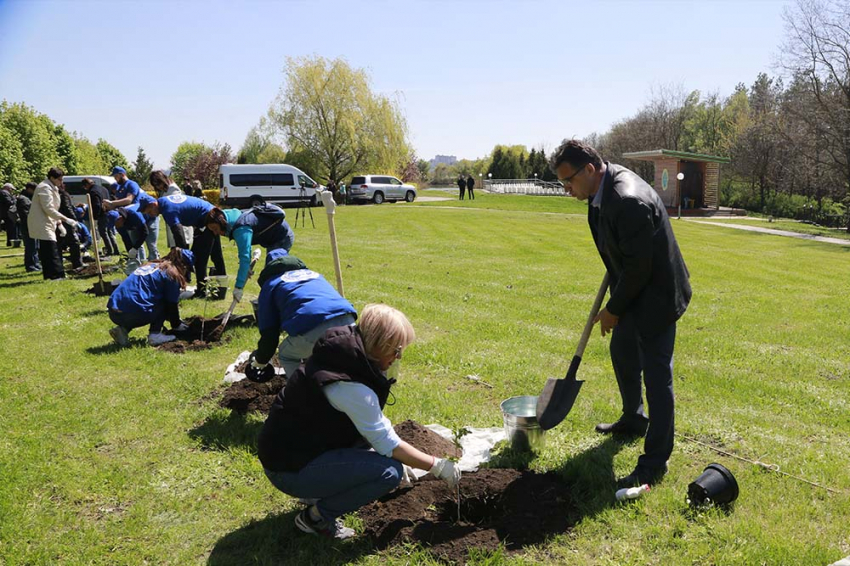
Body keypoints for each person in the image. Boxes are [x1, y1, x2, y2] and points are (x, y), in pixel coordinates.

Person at [549, 139, 691, 489]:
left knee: (658, 378)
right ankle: (633, 417)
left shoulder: (627, 200)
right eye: (563, 184)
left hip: (656, 296)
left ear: (592, 170)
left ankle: (656, 461)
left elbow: (640, 268)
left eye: (570, 181)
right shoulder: (597, 195)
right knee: (623, 353)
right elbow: (619, 254)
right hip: (630, 289)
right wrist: (617, 301)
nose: (567, 190)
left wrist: (612, 310)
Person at [257, 303, 462, 540]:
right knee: (388, 473)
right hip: (288, 469)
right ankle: (315, 517)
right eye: (397, 351)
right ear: (382, 346)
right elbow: (388, 443)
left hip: (292, 452)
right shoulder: (348, 386)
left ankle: (318, 488)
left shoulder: (342, 355)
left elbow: (368, 426)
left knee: (377, 456)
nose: (398, 358)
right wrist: (437, 466)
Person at [247, 249, 356, 377]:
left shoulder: (270, 285)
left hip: (315, 326)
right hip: (349, 322)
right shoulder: (314, 274)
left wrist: (260, 362)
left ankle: (302, 391)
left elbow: (269, 336)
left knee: (286, 355)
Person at [141, 194, 226, 298]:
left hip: (209, 219)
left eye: (150, 212)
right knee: (216, 255)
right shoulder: (163, 202)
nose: (151, 215)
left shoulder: (168, 211)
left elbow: (179, 234)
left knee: (199, 259)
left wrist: (183, 256)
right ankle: (222, 288)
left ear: (153, 204)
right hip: (210, 215)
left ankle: (201, 291)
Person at [107, 248, 195, 347]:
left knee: (143, 301)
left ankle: (122, 330)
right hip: (133, 313)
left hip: (113, 311)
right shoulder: (171, 274)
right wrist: (176, 325)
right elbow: (171, 304)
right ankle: (155, 334)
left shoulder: (151, 265)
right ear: (183, 265)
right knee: (162, 300)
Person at [220, 203, 295, 303]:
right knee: (271, 274)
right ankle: (270, 301)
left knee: (273, 274)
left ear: (223, 223)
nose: (216, 233)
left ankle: (276, 302)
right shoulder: (230, 217)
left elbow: (245, 257)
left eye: (216, 229)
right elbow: (246, 249)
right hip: (272, 239)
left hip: (282, 238)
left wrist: (239, 287)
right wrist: (246, 269)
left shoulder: (241, 227)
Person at [28, 167, 79, 280]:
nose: (61, 182)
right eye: (59, 179)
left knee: (49, 249)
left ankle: (51, 275)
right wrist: (66, 220)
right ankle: (55, 275)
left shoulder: (52, 187)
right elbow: (48, 209)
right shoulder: (44, 188)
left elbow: (54, 208)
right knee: (51, 249)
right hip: (42, 222)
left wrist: (59, 224)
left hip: (49, 221)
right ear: (52, 178)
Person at [103, 166, 159, 261]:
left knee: (151, 243)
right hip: (130, 217)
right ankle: (139, 265)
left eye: (116, 176)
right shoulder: (119, 188)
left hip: (148, 216)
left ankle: (155, 264)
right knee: (136, 243)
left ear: (122, 174)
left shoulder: (131, 184)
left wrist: (112, 203)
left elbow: (129, 200)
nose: (115, 179)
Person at [149, 170, 193, 249]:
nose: (158, 187)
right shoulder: (165, 190)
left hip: (180, 225)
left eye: (159, 184)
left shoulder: (173, 189)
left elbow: (173, 206)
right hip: (173, 224)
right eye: (156, 185)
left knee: (181, 251)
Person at [82, 178, 120, 257]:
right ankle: (116, 249)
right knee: (109, 232)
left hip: (102, 214)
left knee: (103, 232)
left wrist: (95, 216)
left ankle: (109, 250)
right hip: (109, 211)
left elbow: (97, 205)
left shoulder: (93, 191)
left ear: (87, 185)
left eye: (84, 187)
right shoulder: (103, 188)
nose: (85, 189)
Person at [57, 183, 84, 272]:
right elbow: (67, 208)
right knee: (74, 242)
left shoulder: (55, 195)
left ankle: (58, 265)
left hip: (58, 220)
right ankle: (77, 264)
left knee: (58, 244)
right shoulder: (63, 195)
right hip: (67, 221)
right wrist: (74, 220)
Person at [16, 182, 41, 272]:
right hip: (28, 225)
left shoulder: (27, 198)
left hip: (31, 224)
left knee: (34, 246)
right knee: (30, 246)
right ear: (29, 189)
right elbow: (25, 214)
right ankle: (31, 265)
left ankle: (36, 264)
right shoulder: (23, 199)